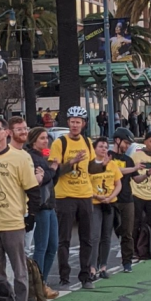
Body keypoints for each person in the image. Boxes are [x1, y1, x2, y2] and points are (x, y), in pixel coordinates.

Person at [0, 117, 41, 301]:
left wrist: (31, 216)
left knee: (19, 269)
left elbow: (32, 190)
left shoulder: (19, 158)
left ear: (6, 132)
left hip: (13, 222)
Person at [48, 106, 96, 289]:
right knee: (64, 239)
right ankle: (64, 276)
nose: (75, 125)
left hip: (85, 194)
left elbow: (91, 168)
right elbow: (56, 172)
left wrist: (104, 165)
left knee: (87, 238)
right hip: (65, 196)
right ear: (67, 122)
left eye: (78, 122)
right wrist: (72, 162)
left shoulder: (87, 141)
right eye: (72, 121)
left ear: (84, 124)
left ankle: (86, 276)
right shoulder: (60, 143)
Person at [26, 128, 59, 299]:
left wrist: (52, 170)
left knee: (52, 246)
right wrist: (51, 170)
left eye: (47, 138)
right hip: (41, 205)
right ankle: (36, 286)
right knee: (41, 246)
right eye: (42, 138)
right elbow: (39, 180)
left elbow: (49, 177)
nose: (46, 141)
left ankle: (43, 282)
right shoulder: (31, 157)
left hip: (50, 205)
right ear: (33, 141)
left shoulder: (43, 158)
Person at [109, 128, 145, 273]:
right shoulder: (108, 156)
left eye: (129, 143)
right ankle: (99, 264)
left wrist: (146, 174)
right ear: (117, 140)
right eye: (125, 142)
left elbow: (136, 179)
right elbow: (115, 170)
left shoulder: (128, 159)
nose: (127, 145)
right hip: (109, 199)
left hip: (126, 198)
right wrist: (133, 168)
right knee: (104, 233)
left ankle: (127, 261)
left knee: (127, 232)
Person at [89, 137, 122, 280]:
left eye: (105, 147)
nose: (103, 149)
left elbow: (118, 184)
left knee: (106, 236)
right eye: (100, 146)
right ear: (94, 149)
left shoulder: (112, 165)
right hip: (95, 203)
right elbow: (85, 185)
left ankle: (103, 266)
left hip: (109, 203)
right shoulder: (90, 165)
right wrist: (97, 196)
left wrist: (110, 197)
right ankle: (92, 267)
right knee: (95, 236)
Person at [131, 132, 151, 259]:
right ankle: (134, 250)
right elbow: (131, 175)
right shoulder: (136, 156)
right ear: (145, 142)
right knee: (136, 223)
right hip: (137, 194)